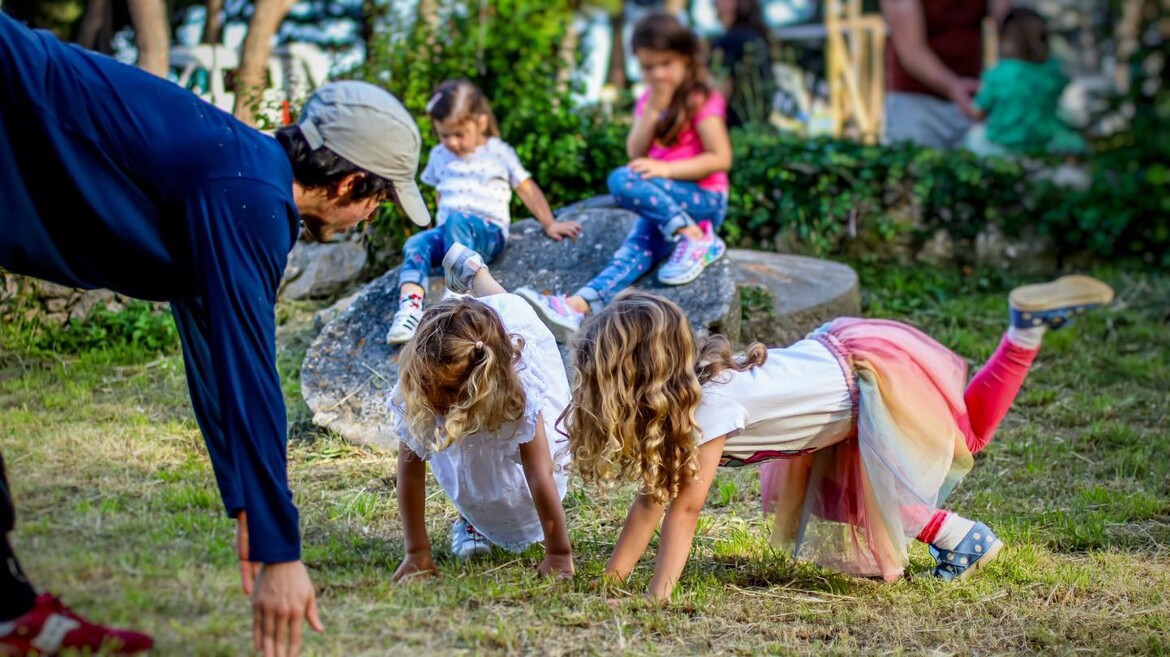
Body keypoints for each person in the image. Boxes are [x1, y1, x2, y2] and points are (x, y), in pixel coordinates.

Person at [0, 12, 430, 656]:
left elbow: (210, 345)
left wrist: (248, 508)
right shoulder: (249, 194)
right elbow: (247, 367)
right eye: (378, 202)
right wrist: (280, 548)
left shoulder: (241, 170)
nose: (370, 215)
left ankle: (8, 616)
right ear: (350, 183)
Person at [561, 275, 1114, 598]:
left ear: (633, 379)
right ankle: (962, 539)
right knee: (835, 496)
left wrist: (657, 597)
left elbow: (681, 507)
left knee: (967, 435)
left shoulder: (709, 408)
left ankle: (1023, 330)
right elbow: (653, 496)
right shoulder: (695, 386)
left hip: (864, 380)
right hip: (835, 360)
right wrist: (613, 578)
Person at [515, 12, 733, 343]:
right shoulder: (649, 100)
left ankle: (694, 236)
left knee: (622, 180)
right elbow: (636, 149)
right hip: (665, 207)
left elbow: (721, 158)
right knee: (637, 247)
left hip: (703, 199)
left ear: (686, 59)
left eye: (665, 64)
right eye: (648, 67)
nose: (657, 74)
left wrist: (665, 169)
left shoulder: (700, 97)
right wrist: (651, 110)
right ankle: (578, 305)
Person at [388, 244, 574, 580]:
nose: (435, 400)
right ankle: (476, 277)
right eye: (428, 388)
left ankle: (478, 274)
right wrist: (417, 551)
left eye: (446, 392)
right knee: (491, 317)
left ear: (478, 385)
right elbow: (411, 474)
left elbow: (538, 472)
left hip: (498, 343)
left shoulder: (516, 393)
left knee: (504, 307)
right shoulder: (423, 387)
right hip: (477, 340)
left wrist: (558, 553)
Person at [385, 79, 582, 345]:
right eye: (444, 135)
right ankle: (410, 308)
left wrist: (549, 223)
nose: (452, 142)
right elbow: (440, 193)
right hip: (450, 233)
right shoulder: (439, 155)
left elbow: (526, 189)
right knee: (416, 242)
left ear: (479, 122)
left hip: (486, 232)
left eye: (459, 134)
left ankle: (456, 297)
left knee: (458, 221)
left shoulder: (499, 152)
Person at [881, 0, 1012, 149]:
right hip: (917, 104)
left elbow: (1010, 26)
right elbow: (910, 50)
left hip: (971, 100)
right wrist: (953, 87)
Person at [964, 8, 1086, 159]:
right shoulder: (1053, 70)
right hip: (1044, 144)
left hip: (1002, 147)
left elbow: (977, 112)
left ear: (1005, 39)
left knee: (974, 135)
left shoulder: (998, 73)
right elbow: (1063, 86)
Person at [710, 0, 776, 128]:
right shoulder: (759, 36)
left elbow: (718, 95)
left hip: (735, 131)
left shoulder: (729, 43)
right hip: (761, 129)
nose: (713, 3)